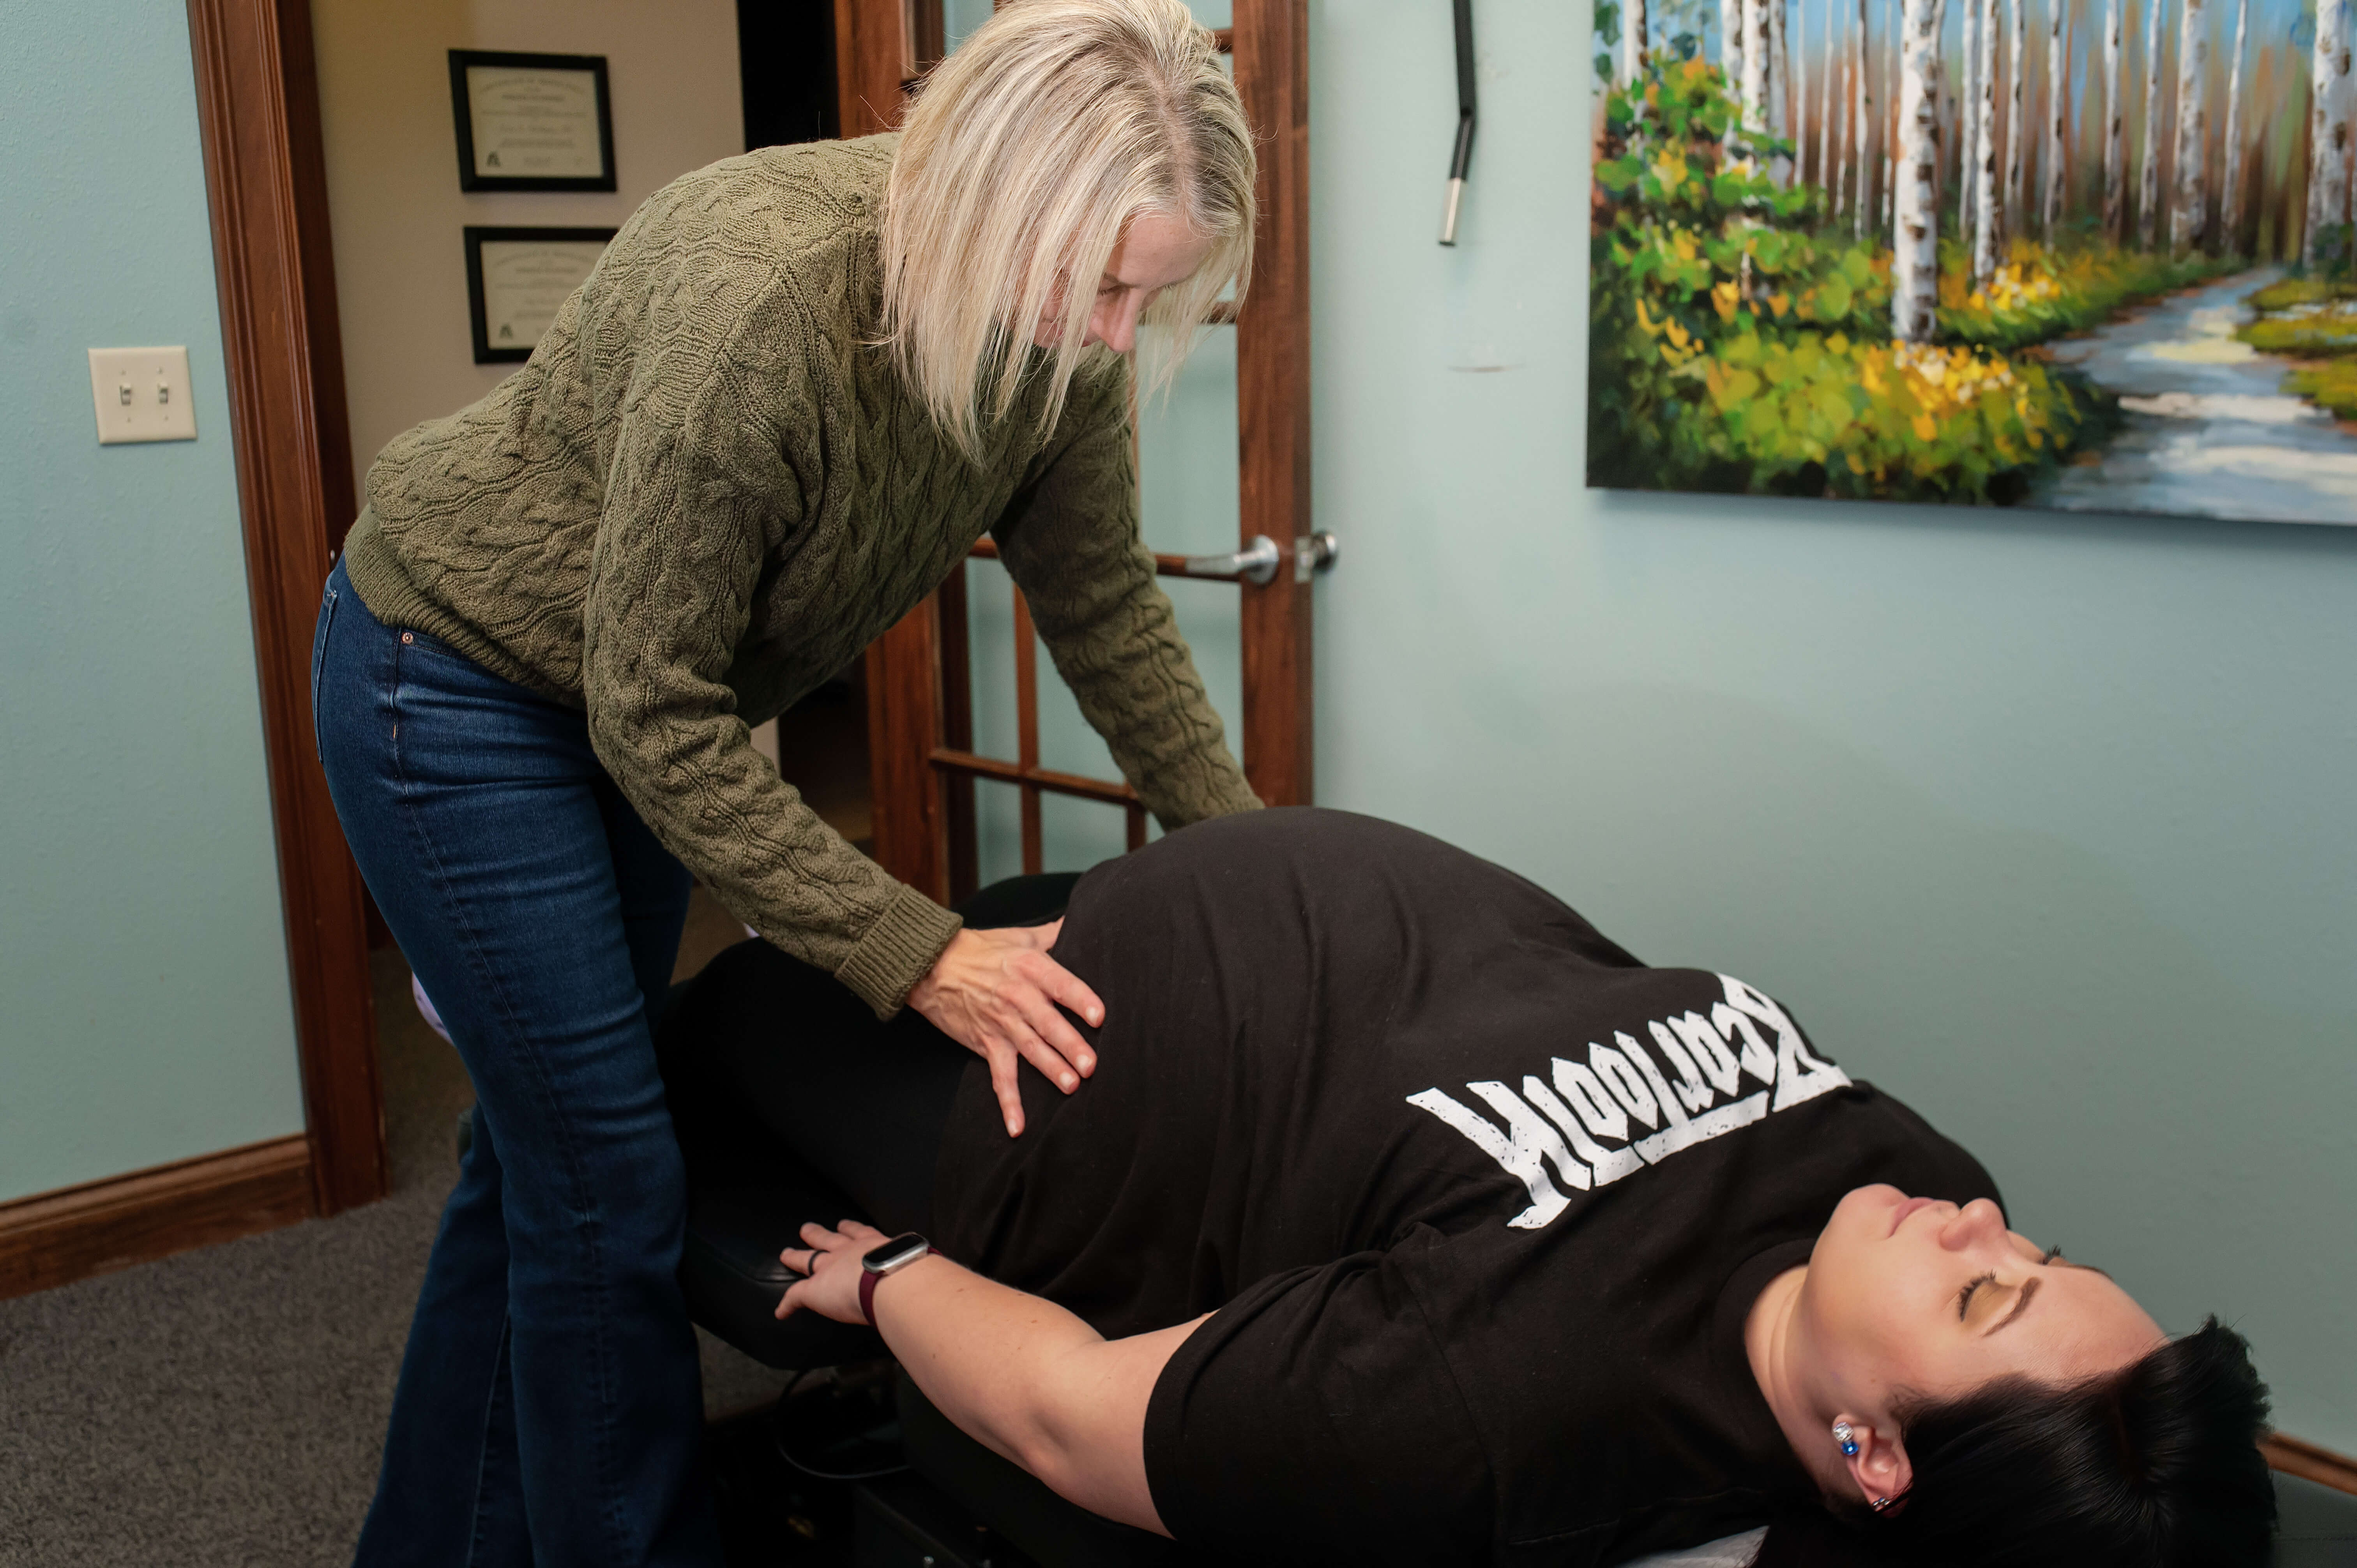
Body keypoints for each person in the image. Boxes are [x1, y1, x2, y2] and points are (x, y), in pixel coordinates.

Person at [310, 2, 1260, 1561]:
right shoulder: (763, 299)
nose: (1112, 334)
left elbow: (1105, 611)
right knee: (611, 1177)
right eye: (1097, 285)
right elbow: (656, 712)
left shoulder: (1052, 349)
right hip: (456, 677)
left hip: (631, 704)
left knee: (542, 1155)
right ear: (997, 203)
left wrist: (1268, 874)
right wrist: (925, 956)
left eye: (1139, 299)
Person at [657, 809, 2279, 1567]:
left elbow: (1073, 1413)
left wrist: (887, 1281)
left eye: (1988, 1289)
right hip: (1144, 912)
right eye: (2040, 1246)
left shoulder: (1496, 1404)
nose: (1982, 1223)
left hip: (1049, 1108)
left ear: (1870, 1452)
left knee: (675, 1036)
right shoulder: (1917, 1185)